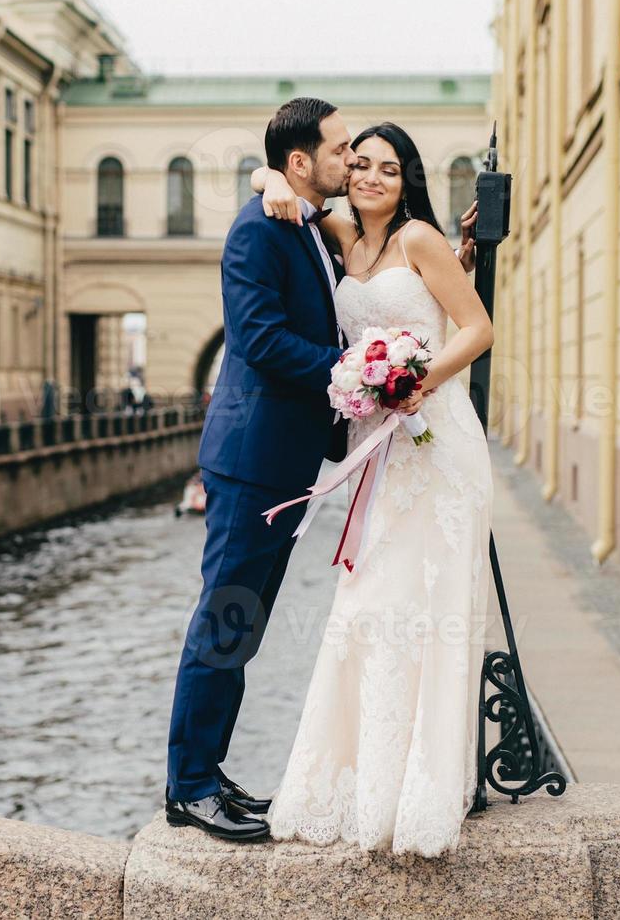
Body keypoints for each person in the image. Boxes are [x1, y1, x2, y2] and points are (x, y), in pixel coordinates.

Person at [253, 121, 493, 857]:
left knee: (426, 602)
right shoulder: (342, 237)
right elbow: (278, 184)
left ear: (406, 178)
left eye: (388, 169)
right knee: (370, 602)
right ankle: (362, 777)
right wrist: (265, 180)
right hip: (376, 444)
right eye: (359, 165)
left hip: (434, 439)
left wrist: (420, 380)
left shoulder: (420, 239)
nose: (370, 178)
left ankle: (423, 786)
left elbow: (477, 327)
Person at [163, 98, 358, 842]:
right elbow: (262, 341)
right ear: (300, 162)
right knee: (222, 623)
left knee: (240, 628)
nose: (348, 159)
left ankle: (208, 774)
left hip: (281, 461)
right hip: (250, 463)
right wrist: (353, 371)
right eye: (339, 150)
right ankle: (187, 789)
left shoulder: (301, 221)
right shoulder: (258, 230)